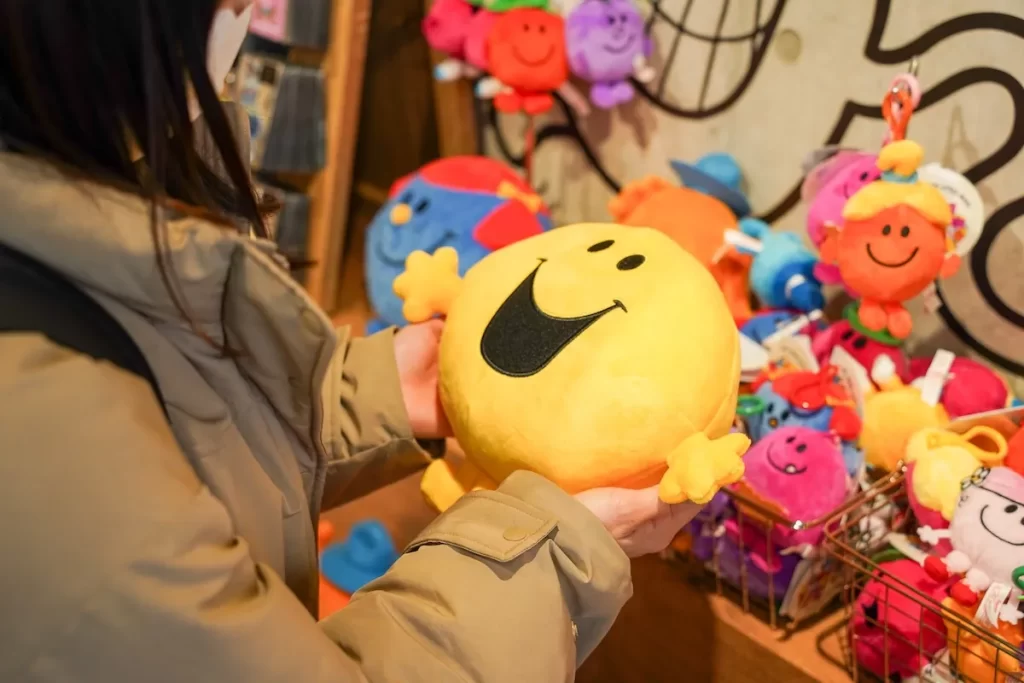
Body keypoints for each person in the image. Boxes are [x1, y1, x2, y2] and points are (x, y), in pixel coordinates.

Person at [0, 2, 701, 681]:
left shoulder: (112, 202)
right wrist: (545, 555)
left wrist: (363, 397)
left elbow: (185, 441)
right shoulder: (45, 439)